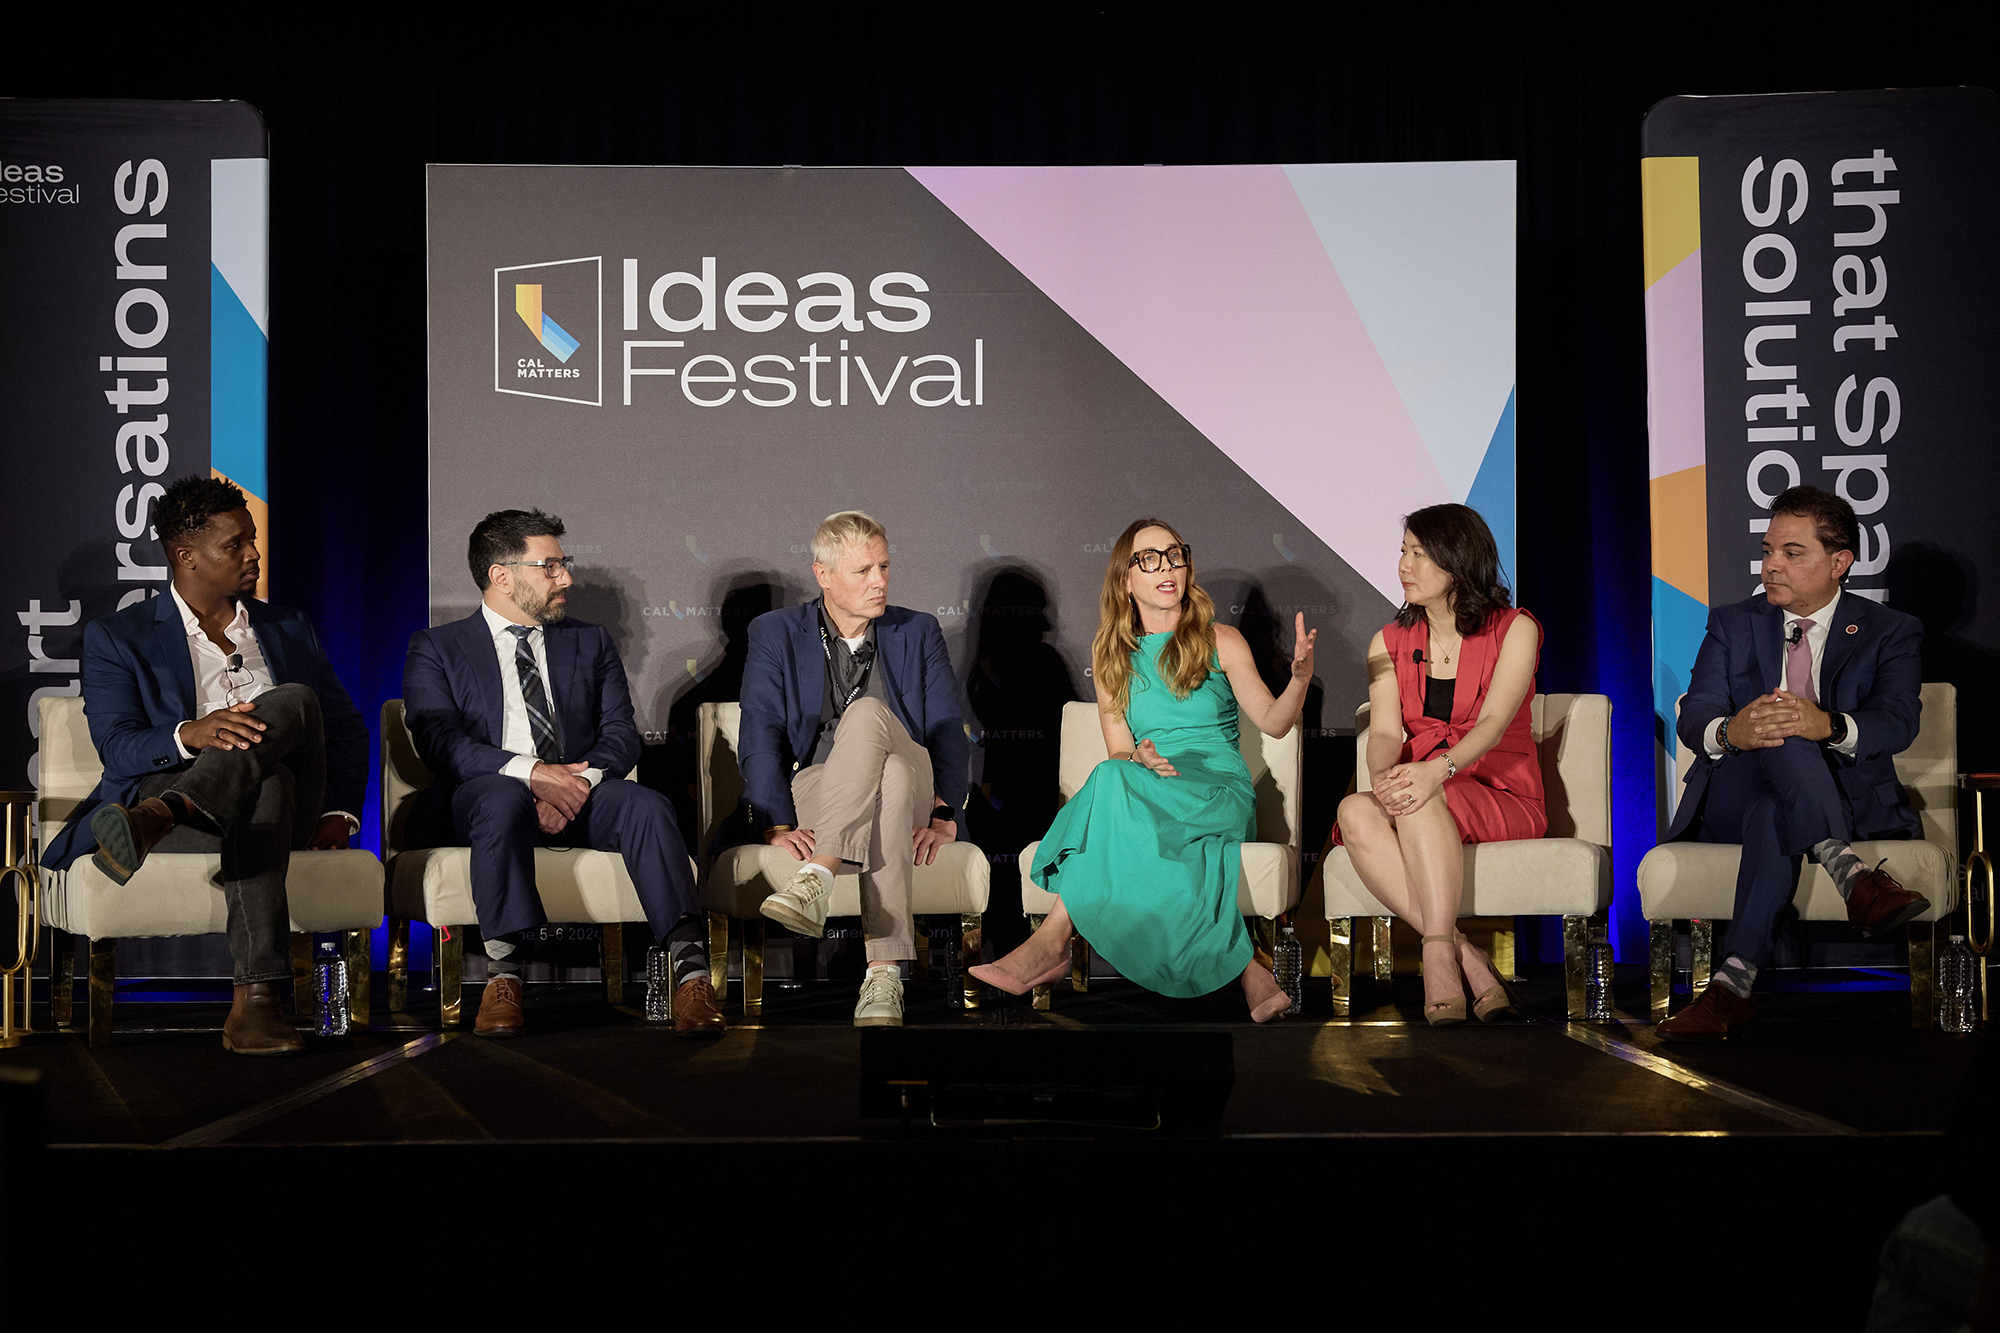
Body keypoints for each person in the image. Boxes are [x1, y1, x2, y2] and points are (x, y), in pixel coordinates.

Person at [43, 476, 366, 1055]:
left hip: (193, 817)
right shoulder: (120, 636)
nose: (253, 554)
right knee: (266, 782)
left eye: (252, 540)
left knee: (295, 699)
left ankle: (158, 816)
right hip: (202, 812)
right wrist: (189, 733)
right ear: (185, 557)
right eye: (234, 545)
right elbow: (118, 747)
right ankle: (257, 1004)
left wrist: (342, 811)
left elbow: (342, 730)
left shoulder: (288, 625)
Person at [970, 518, 1315, 1022]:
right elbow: (1118, 753)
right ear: (1125, 580)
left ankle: (1051, 942)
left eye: (1175, 555)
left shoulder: (1222, 640)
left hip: (1217, 790)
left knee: (1115, 792)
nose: (1166, 568)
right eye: (1149, 559)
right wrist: (1140, 760)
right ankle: (1250, 971)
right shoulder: (1112, 652)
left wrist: (1300, 680)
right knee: (1114, 778)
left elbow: (1275, 723)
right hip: (1153, 786)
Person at [402, 509, 720, 1039]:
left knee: (647, 806)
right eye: (549, 567)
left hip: (581, 789)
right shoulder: (438, 647)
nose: (565, 578)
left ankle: (690, 972)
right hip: (484, 798)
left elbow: (620, 734)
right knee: (499, 801)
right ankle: (503, 974)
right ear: (500, 575)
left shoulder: (588, 642)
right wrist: (533, 776)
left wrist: (574, 785)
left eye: (563, 564)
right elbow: (442, 743)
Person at [1657, 485, 1926, 1042]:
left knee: (1774, 801)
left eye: (1791, 553)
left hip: (1841, 797)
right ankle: (1853, 878)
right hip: (1730, 791)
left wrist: (1824, 723)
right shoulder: (1732, 622)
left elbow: (1897, 720)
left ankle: (1730, 989)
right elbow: (1697, 711)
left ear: (1840, 561)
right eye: (1767, 550)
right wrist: (1732, 730)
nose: (1771, 565)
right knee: (1780, 729)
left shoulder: (1890, 631)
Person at [739, 510, 970, 1028]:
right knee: (885, 778)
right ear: (823, 575)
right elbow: (760, 732)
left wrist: (947, 812)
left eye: (884, 567)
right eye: (863, 570)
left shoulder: (918, 630)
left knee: (869, 717)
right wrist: (775, 823)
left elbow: (947, 731)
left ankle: (819, 874)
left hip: (916, 774)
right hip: (822, 786)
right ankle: (884, 975)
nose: (879, 582)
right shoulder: (774, 632)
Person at [1329, 503, 1544, 1026]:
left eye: (1420, 554)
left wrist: (1433, 772)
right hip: (1422, 784)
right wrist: (1383, 778)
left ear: (1458, 562)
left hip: (1500, 789)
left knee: (1418, 795)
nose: (1404, 564)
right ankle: (1460, 952)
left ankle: (1435, 960)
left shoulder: (1515, 629)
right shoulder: (1388, 641)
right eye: (1404, 551)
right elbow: (1383, 731)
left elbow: (1493, 723)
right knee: (1355, 812)